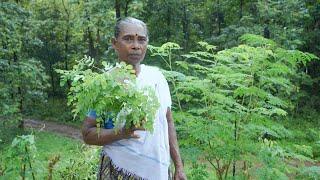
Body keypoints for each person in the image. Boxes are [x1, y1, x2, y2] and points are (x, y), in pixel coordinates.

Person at [81, 17, 187, 180]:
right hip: (119, 170)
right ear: (114, 43)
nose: (136, 45)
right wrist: (122, 133)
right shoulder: (106, 84)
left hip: (158, 170)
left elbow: (168, 122)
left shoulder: (157, 78)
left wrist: (178, 166)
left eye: (141, 40)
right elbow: (88, 134)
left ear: (147, 44)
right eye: (128, 38)